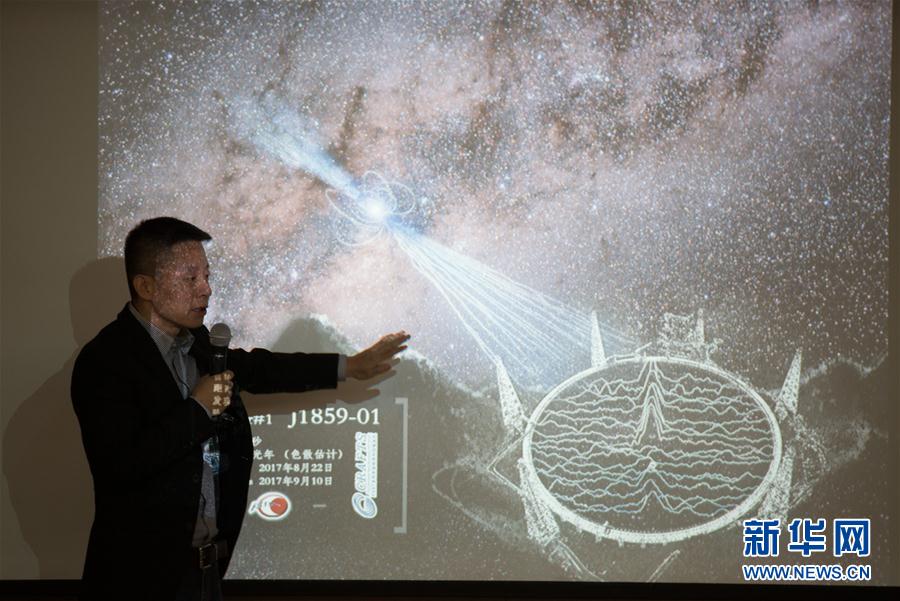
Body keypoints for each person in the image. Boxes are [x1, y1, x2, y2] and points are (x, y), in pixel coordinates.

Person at [71, 217, 409, 601]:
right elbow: (121, 466)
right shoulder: (105, 360)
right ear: (145, 286)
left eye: (207, 276)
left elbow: (260, 369)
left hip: (206, 572)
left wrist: (348, 366)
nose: (206, 289)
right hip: (138, 581)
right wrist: (198, 409)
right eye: (190, 278)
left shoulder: (198, 344)